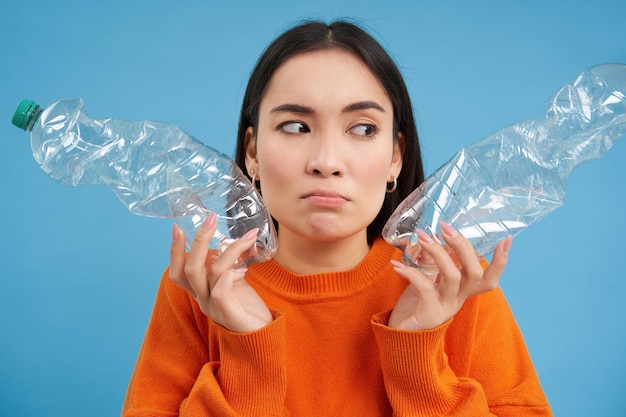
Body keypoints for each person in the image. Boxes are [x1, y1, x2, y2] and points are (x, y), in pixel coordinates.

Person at [122, 20, 552, 416]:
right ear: (252, 153)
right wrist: (247, 354)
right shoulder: (200, 285)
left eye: (362, 129)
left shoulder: (451, 282)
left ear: (395, 158)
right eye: (295, 126)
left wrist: (419, 357)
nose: (326, 162)